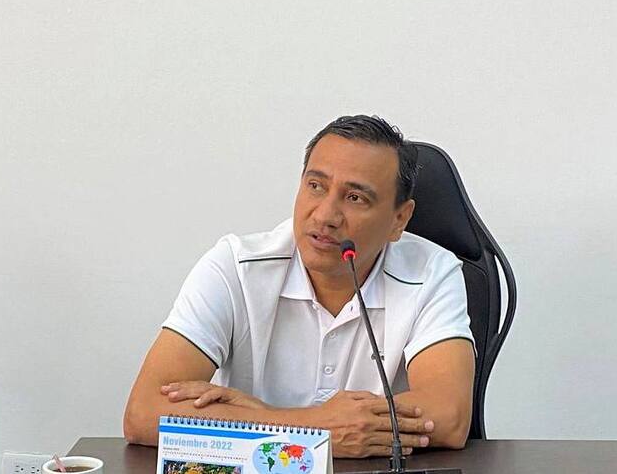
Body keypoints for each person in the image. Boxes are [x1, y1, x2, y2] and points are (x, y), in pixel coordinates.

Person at [123, 115, 476, 458]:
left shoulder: (432, 272)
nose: (325, 215)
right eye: (316, 186)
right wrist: (315, 427)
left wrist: (259, 417)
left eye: (355, 198)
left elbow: (448, 416)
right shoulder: (235, 267)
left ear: (399, 219)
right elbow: (145, 413)